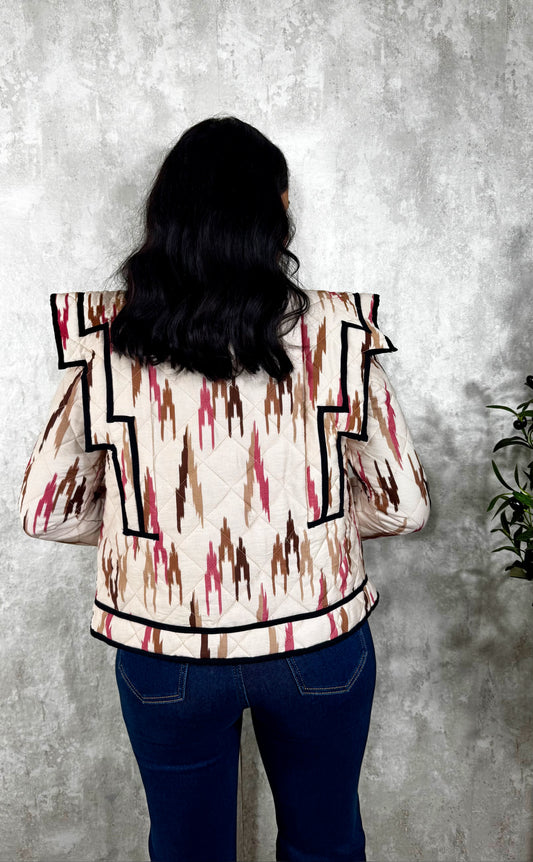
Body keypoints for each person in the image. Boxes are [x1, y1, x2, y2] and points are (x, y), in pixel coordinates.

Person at [19, 116, 430, 862]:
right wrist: (308, 523)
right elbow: (403, 504)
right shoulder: (339, 335)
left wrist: (159, 531)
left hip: (163, 647)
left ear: (164, 218)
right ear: (278, 209)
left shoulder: (107, 341)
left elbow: (45, 511)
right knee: (326, 845)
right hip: (316, 641)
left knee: (186, 851)